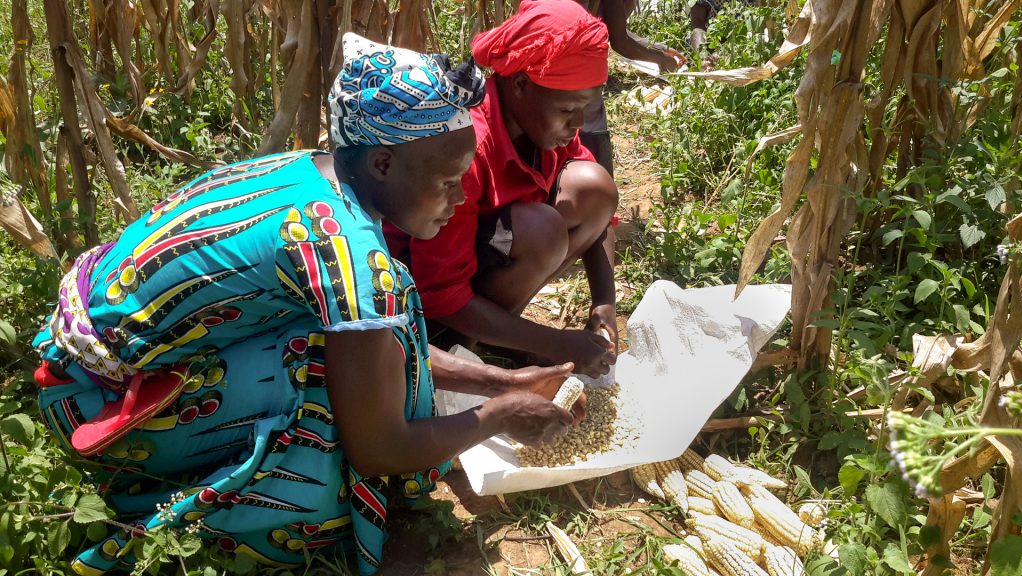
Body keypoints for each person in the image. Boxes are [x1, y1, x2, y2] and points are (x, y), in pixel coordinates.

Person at [32, 34, 582, 576]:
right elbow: (380, 448)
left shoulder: (309, 171)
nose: (460, 198)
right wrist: (499, 416)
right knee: (334, 413)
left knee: (367, 335)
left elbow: (383, 347)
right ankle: (203, 501)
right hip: (106, 410)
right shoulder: (352, 259)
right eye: (447, 181)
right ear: (384, 164)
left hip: (76, 365)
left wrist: (495, 380)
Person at [386, 0, 620, 379]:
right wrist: (554, 343)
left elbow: (602, 212)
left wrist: (604, 303)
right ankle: (461, 340)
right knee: (541, 229)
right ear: (523, 86)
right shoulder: (466, 150)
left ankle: (503, 329)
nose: (577, 123)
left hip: (478, 262)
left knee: (595, 188)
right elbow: (439, 293)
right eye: (567, 110)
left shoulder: (546, 130)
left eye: (585, 110)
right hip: (427, 296)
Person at [574, 0, 685, 176]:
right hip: (574, 62)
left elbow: (615, 28)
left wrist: (659, 49)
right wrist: (660, 59)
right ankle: (597, 188)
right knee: (587, 132)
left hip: (549, 54)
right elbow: (620, 41)